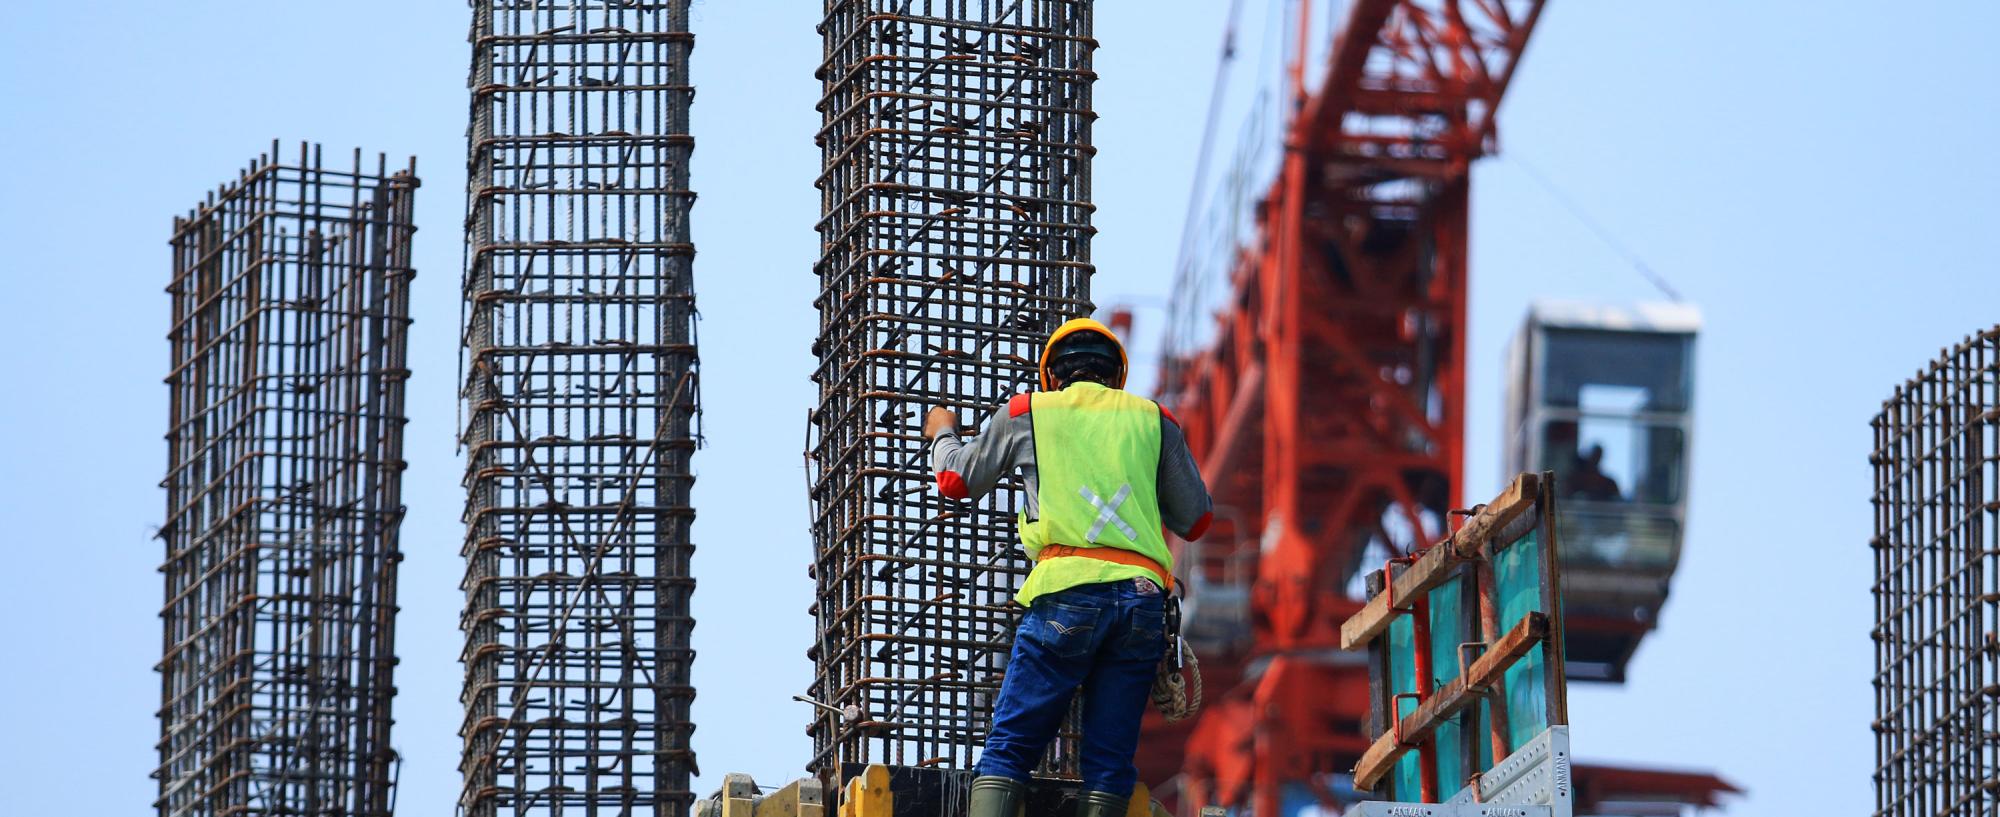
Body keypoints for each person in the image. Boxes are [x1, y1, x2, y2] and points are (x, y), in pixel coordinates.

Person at [923, 317, 1214, 817]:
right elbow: (1197, 518)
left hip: (1068, 595)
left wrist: (942, 432)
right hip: (1143, 606)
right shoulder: (1154, 419)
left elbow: (955, 480)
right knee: (1109, 765)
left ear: (1053, 376)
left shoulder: (1028, 411)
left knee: (1010, 748)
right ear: (1115, 376)